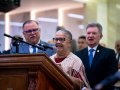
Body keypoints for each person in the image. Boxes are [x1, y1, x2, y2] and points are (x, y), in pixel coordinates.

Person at [75, 22, 118, 90]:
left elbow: (112, 75)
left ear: (100, 36)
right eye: (88, 33)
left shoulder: (109, 53)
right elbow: (75, 75)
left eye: (94, 33)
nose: (90, 35)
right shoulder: (77, 54)